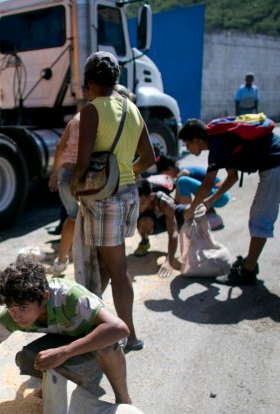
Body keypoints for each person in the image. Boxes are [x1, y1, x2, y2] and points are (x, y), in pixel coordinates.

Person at [0, 260, 131, 414]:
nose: (16, 316)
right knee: (28, 358)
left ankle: (124, 400)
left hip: (96, 338)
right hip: (68, 338)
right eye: (11, 308)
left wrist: (65, 352)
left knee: (107, 346)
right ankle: (70, 382)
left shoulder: (69, 296)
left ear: (45, 297)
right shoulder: (13, 314)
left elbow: (119, 328)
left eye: (23, 308)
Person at [71, 51, 155, 351]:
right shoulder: (132, 108)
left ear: (90, 81)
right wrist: (123, 173)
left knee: (118, 270)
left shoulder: (93, 110)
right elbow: (149, 158)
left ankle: (129, 335)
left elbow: (82, 162)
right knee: (105, 266)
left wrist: (74, 185)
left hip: (105, 201)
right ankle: (91, 323)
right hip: (129, 196)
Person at [178, 118, 280, 285]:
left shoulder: (217, 144)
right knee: (258, 217)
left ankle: (247, 272)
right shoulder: (222, 141)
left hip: (279, 166)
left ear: (197, 140)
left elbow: (207, 184)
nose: (187, 149)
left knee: (259, 220)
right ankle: (250, 263)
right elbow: (232, 177)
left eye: (187, 143)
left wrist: (190, 209)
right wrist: (209, 202)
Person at [48, 85, 93, 276]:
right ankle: (88, 264)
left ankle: (61, 261)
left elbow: (60, 146)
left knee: (72, 218)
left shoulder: (76, 119)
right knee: (89, 220)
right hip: (81, 174)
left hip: (65, 175)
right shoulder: (97, 119)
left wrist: (54, 174)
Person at [153, 155, 228, 232]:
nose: (166, 177)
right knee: (193, 196)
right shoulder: (182, 173)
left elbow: (178, 201)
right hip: (217, 196)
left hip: (220, 195)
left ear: (170, 168)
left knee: (182, 181)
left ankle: (188, 220)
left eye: (165, 174)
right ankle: (209, 217)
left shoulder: (183, 173)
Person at [134, 178, 186, 278]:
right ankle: (144, 242)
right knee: (143, 222)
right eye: (137, 203)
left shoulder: (164, 202)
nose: (139, 207)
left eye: (142, 203)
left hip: (170, 216)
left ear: (151, 197)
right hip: (153, 222)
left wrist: (169, 261)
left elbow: (173, 233)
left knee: (189, 211)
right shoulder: (134, 203)